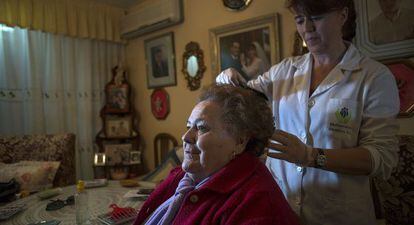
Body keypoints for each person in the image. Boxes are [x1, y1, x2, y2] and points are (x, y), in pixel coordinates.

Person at [216, 0, 400, 224]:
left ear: (342, 16)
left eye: (316, 18)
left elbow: (381, 159)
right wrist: (227, 78)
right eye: (300, 20)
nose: (307, 28)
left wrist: (310, 156)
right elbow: (245, 95)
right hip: (278, 208)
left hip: (338, 214)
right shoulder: (284, 70)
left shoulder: (373, 77)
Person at [133, 84, 299, 225]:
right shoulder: (182, 177)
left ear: (240, 141)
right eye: (188, 126)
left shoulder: (258, 205)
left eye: (202, 128)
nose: (186, 137)